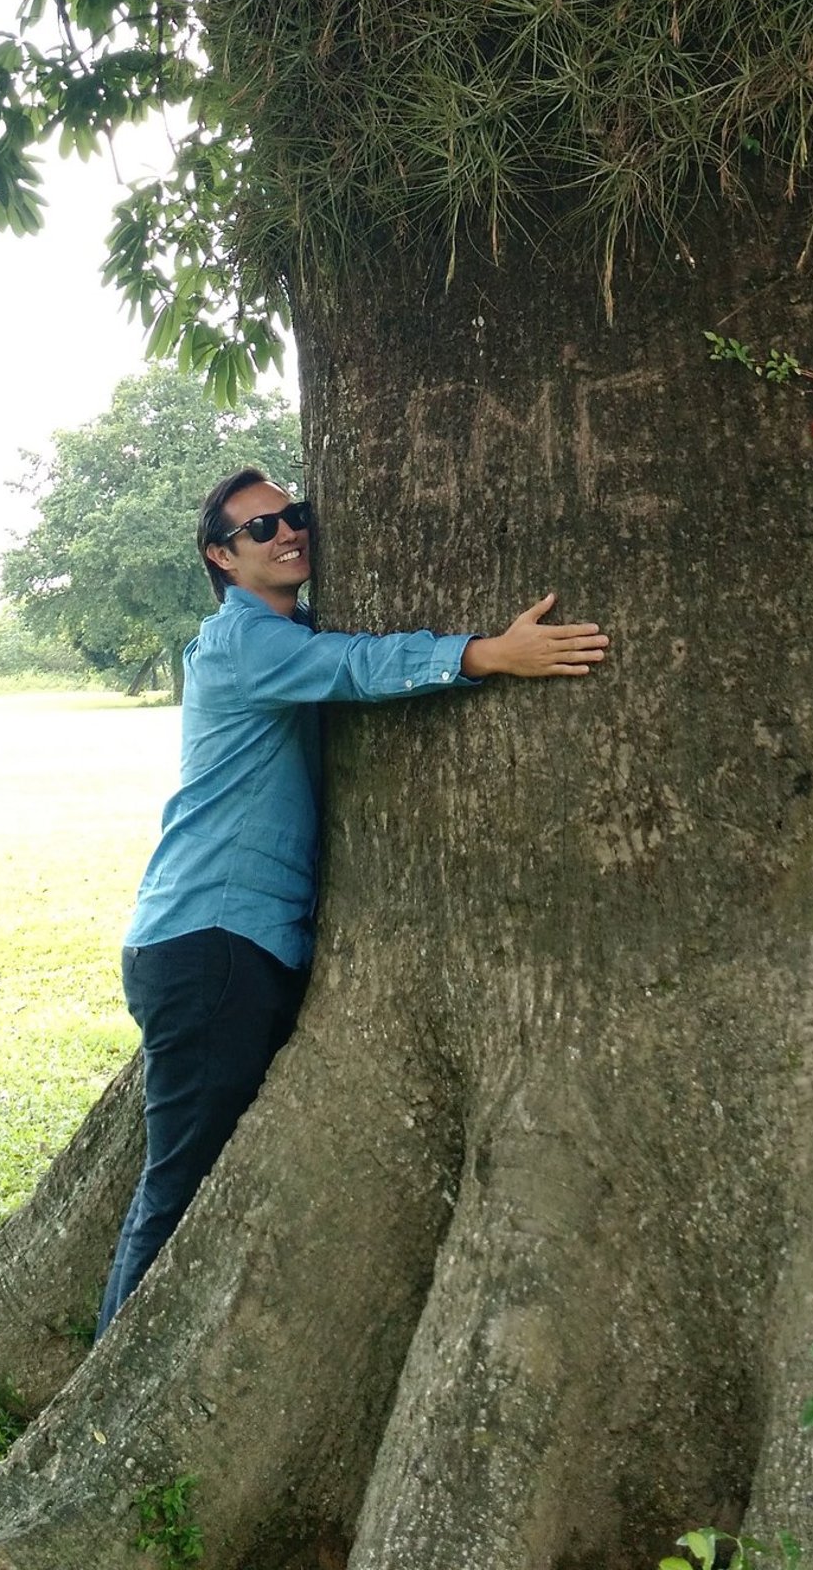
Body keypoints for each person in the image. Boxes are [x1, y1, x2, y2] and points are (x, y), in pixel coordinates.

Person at [96, 464, 609, 1333]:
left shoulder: (275, 636)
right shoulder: (244, 644)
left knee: (203, 1175)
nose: (288, 532)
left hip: (224, 941)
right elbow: (359, 666)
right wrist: (489, 653)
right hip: (209, 943)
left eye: (292, 516)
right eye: (260, 529)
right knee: (181, 1181)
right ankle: (113, 1381)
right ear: (221, 556)